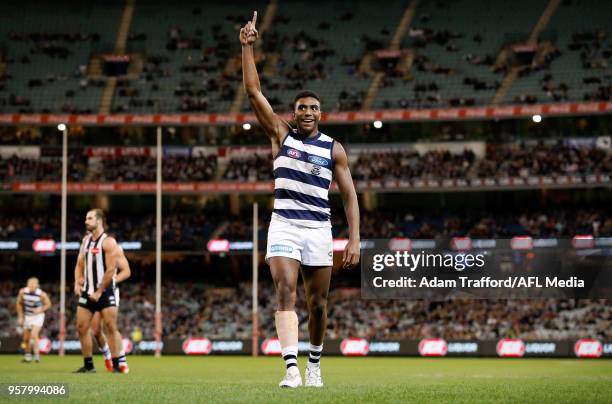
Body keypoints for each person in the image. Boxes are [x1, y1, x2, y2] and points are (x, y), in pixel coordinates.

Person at [240, 11, 360, 388]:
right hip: (285, 225)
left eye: (313, 108)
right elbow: (253, 93)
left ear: (320, 114)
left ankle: (314, 364)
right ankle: (291, 368)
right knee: (285, 288)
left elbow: (351, 196)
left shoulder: (333, 149)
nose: (307, 113)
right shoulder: (281, 136)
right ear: (294, 113)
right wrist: (247, 47)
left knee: (318, 304)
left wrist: (354, 238)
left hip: (319, 228)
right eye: (301, 108)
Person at [72, 209, 124, 373]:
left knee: (110, 327)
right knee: (81, 327)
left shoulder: (108, 242)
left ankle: (116, 365)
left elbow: (111, 269)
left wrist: (100, 291)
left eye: (89, 218)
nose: (86, 221)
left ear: (99, 221)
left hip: (105, 291)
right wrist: (76, 282)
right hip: (88, 291)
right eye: (86, 218)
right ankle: (88, 366)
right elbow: (79, 263)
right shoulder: (85, 241)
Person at [90, 244, 131, 373]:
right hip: (92, 291)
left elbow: (126, 271)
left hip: (109, 291)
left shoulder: (114, 248)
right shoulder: (87, 247)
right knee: (96, 330)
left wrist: (112, 281)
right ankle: (107, 355)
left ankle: (122, 360)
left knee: (111, 326)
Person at [16, 277, 51, 363]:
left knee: (34, 334)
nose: (31, 286)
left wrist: (41, 309)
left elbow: (48, 304)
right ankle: (28, 356)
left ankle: (37, 355)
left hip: (38, 316)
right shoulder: (23, 292)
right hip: (28, 316)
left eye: (33, 284)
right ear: (27, 284)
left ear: (37, 285)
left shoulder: (42, 294)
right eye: (30, 284)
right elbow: (19, 304)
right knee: (26, 338)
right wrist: (20, 316)